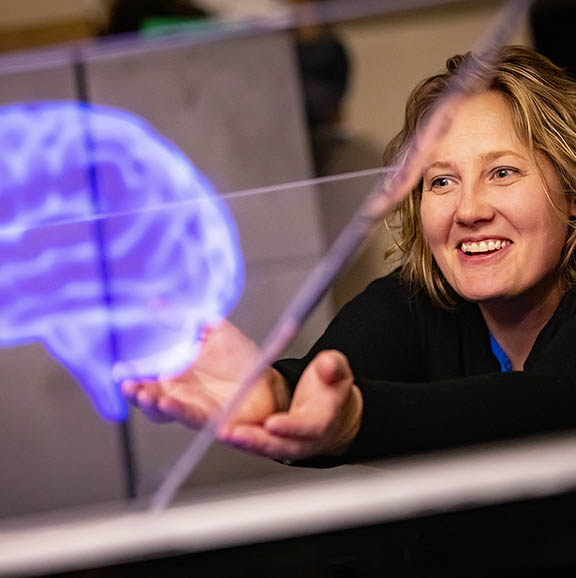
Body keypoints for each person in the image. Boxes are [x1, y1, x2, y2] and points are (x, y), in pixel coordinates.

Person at [123, 45, 576, 464]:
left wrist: (357, 420)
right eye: (441, 181)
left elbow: (545, 402)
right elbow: (328, 376)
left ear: (570, 191)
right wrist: (276, 395)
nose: (470, 209)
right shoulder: (413, 303)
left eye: (502, 172)